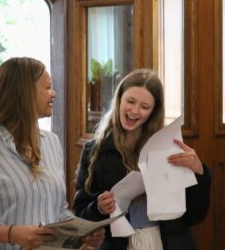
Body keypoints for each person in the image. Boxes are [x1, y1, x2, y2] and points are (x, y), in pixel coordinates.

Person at [0, 57, 104, 249]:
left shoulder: (52, 142)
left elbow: (58, 210)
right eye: (48, 87)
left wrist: (82, 233)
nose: (54, 94)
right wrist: (11, 234)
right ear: (23, 93)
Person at [73, 68, 211, 250]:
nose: (135, 111)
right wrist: (98, 208)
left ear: (153, 112)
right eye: (130, 101)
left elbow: (195, 216)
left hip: (166, 243)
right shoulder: (94, 150)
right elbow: (82, 214)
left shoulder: (168, 147)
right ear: (119, 99)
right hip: (117, 244)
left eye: (145, 107)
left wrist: (199, 173)